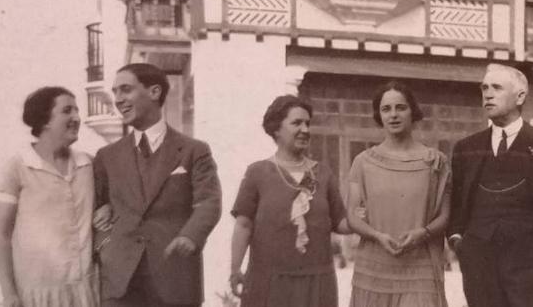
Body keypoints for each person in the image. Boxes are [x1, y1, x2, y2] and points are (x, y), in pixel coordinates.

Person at [447, 64, 533, 307]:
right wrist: (459, 241)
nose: (488, 94)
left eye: (497, 88)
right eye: (484, 88)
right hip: (479, 263)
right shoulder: (466, 148)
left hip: (532, 264)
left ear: (520, 96)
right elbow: (456, 203)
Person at [93, 63, 221, 307]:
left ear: (154, 92)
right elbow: (97, 207)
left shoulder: (194, 151)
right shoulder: (106, 156)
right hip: (120, 284)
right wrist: (104, 243)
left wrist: (190, 236)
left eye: (126, 90)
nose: (118, 100)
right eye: (115, 92)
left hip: (175, 277)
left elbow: (209, 202)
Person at [229, 95, 350, 307]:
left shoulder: (323, 173)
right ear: (276, 128)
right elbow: (243, 224)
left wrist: (370, 214)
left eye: (307, 123)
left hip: (316, 282)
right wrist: (235, 269)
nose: (305, 129)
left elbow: (340, 222)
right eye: (296, 123)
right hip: (268, 282)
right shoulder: (258, 172)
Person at [0, 86, 100, 307]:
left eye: (77, 111)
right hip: (38, 294)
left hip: (87, 291)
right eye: (67, 111)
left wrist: (105, 210)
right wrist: (9, 293)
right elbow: (1, 236)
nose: (76, 118)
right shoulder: (17, 167)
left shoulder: (89, 164)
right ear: (45, 120)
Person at [346, 81, 451, 307]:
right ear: (379, 115)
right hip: (374, 267)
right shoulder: (363, 162)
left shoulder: (435, 161)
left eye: (400, 107)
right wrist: (377, 236)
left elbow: (445, 216)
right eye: (386, 109)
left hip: (420, 267)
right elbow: (353, 217)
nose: (393, 115)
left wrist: (422, 233)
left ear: (413, 111)